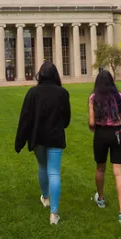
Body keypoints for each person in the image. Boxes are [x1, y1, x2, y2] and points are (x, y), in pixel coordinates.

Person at [15, 62, 71, 225]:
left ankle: (45, 197)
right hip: (55, 137)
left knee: (43, 167)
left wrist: (20, 142)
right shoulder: (62, 93)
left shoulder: (33, 93)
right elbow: (66, 119)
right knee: (54, 172)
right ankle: (53, 214)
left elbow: (25, 119)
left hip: (38, 137)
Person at [88, 69, 121, 224]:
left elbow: (91, 124)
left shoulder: (93, 98)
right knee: (118, 173)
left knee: (100, 168)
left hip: (101, 134)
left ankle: (100, 198)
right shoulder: (118, 96)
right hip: (117, 134)